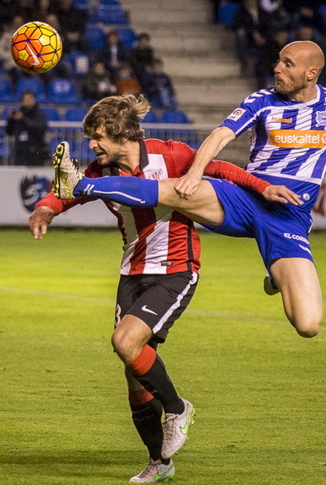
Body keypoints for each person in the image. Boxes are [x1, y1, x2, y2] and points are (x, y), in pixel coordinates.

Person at [53, 40, 326, 339]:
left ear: (310, 73)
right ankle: (81, 182)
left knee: (307, 325)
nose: (277, 69)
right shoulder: (261, 101)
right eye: (278, 62)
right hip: (244, 198)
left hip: (288, 216)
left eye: (287, 64)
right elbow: (220, 135)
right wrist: (196, 173)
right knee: (175, 190)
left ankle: (275, 276)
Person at [31, 94, 294, 482]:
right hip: (131, 273)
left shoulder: (168, 154)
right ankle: (160, 461)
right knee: (133, 375)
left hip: (175, 268)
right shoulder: (100, 170)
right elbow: (66, 191)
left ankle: (177, 408)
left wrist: (261, 187)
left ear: (123, 136)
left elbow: (219, 168)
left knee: (124, 342)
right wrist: (45, 209)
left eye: (98, 137)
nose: (92, 145)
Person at [6, 91, 48, 166]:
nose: (28, 102)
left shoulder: (39, 114)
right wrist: (11, 120)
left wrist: (23, 119)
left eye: (30, 99)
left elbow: (40, 127)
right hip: (20, 151)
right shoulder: (19, 114)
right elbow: (9, 131)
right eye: (26, 100)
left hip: (36, 151)